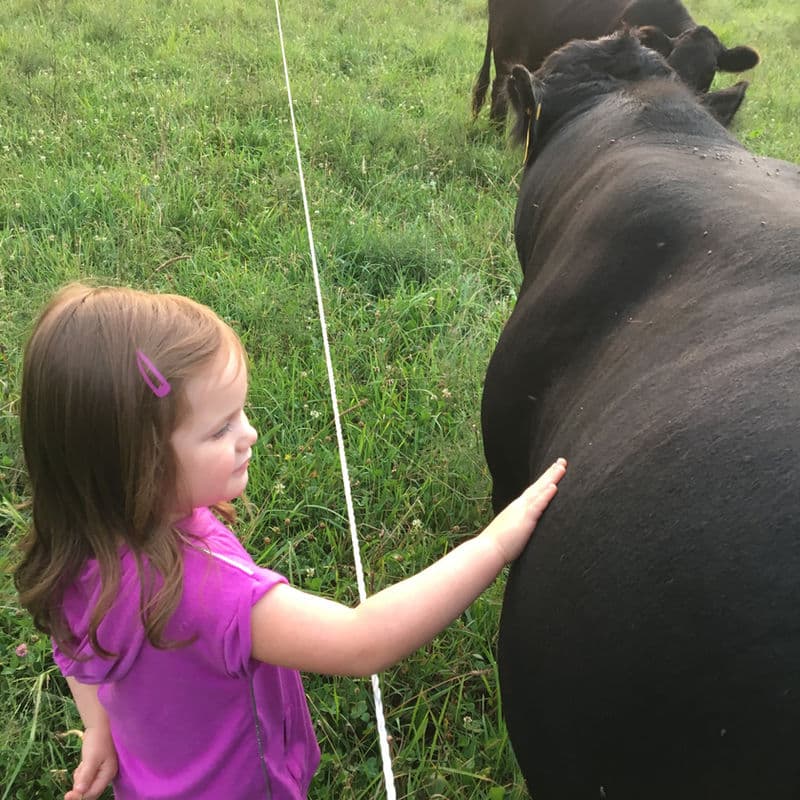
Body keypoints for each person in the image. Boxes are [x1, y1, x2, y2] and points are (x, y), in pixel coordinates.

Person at [14, 282, 567, 800]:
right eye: (220, 428)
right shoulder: (214, 596)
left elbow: (73, 653)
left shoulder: (74, 550)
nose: (249, 433)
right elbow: (362, 641)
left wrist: (97, 729)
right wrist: (493, 545)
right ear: (139, 464)